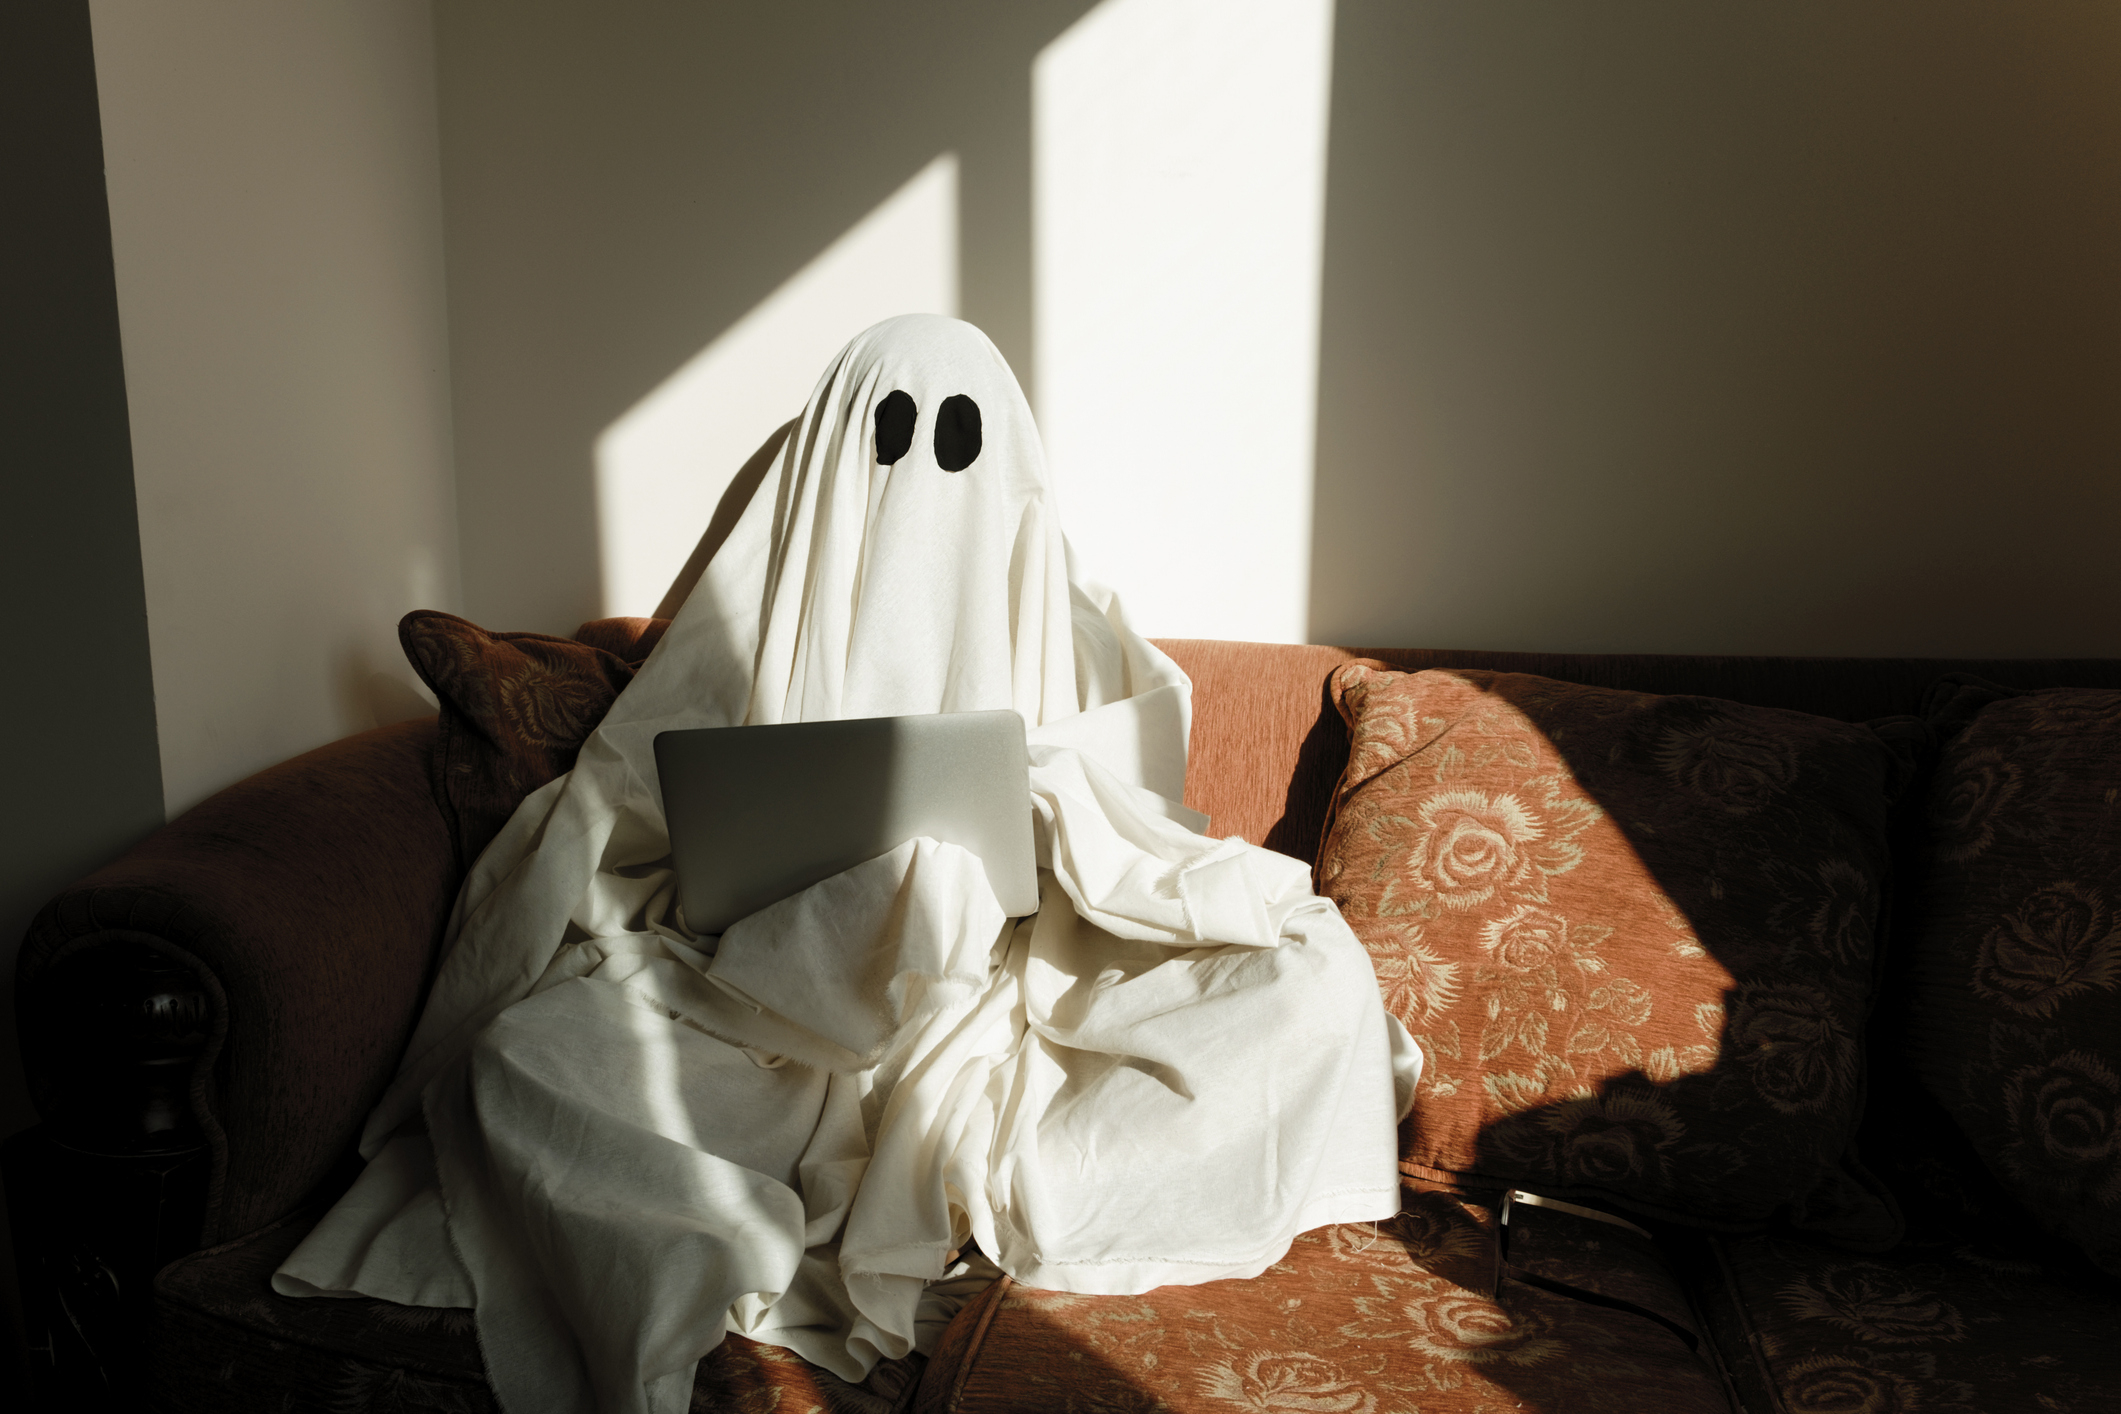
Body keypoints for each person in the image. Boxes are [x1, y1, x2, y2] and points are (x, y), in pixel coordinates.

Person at [275, 314, 1420, 1414]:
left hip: (1015, 999)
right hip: (758, 998)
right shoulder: (750, 607)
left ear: (1009, 460)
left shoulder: (1077, 622)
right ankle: (707, 1235)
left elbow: (1152, 827)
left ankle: (970, 1188)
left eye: (961, 440)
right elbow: (619, 802)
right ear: (832, 453)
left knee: (1309, 984)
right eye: (891, 433)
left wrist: (1048, 800)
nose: (925, 473)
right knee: (525, 1058)